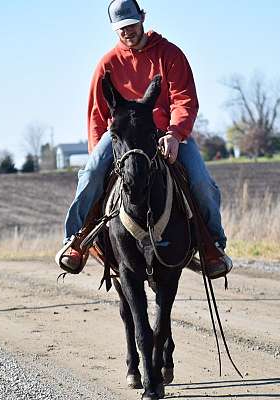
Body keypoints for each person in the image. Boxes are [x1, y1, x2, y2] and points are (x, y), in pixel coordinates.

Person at [56, 0, 232, 278]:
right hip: (123, 139)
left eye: (131, 25)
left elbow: (184, 100)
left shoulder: (170, 54)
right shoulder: (108, 65)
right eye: (121, 29)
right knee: (90, 174)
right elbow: (96, 114)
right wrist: (97, 153)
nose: (127, 32)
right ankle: (76, 239)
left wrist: (175, 134)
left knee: (200, 181)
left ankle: (212, 246)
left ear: (142, 18)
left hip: (166, 134)